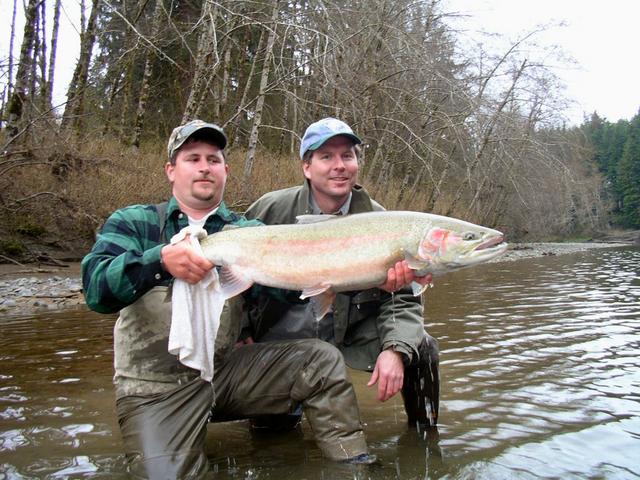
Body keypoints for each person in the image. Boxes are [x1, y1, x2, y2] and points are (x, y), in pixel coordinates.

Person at [82, 120, 388, 478]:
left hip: (226, 374)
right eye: (192, 158)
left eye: (213, 159)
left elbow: (288, 293)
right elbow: (95, 290)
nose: (204, 167)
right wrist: (160, 260)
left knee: (321, 360)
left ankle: (353, 467)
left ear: (225, 170)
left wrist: (379, 273)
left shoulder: (248, 231)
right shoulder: (134, 223)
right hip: (154, 389)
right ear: (171, 170)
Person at [239, 117, 440, 431]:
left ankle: (424, 439)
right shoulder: (269, 210)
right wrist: (241, 334)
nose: (340, 166)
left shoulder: (381, 220)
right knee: (272, 436)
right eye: (326, 156)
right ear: (307, 167)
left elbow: (402, 301)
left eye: (348, 156)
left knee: (422, 348)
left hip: (348, 336)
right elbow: (230, 274)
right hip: (281, 337)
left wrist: (395, 350)